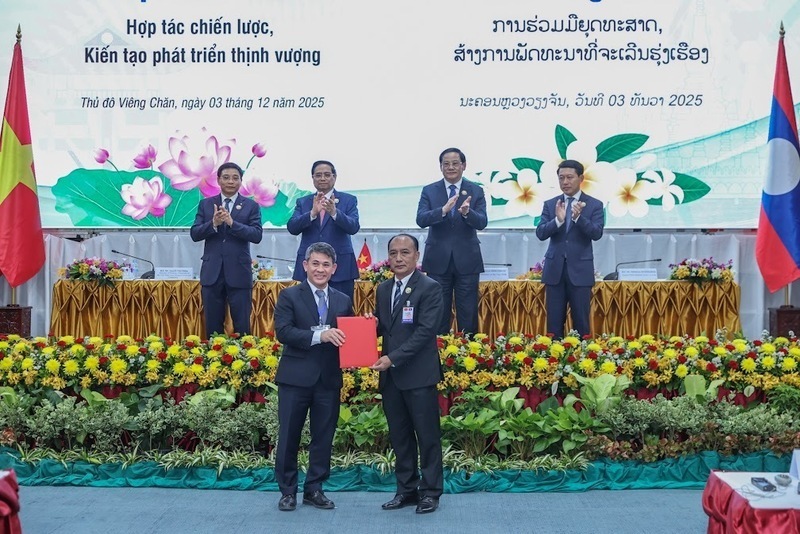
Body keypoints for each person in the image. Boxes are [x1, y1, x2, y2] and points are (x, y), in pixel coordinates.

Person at [273, 242, 353, 512]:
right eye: (315, 263)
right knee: (289, 436)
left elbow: (349, 336)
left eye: (326, 265)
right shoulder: (289, 296)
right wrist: (320, 335)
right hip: (295, 379)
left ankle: (314, 489)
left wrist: (368, 325)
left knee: (323, 437)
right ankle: (287, 491)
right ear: (305, 265)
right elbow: (284, 332)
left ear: (334, 269)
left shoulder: (343, 300)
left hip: (328, 379)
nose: (320, 269)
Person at [369, 234, 444, 514]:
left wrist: (392, 358)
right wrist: (370, 324)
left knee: (427, 437)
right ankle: (406, 490)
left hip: (419, 375)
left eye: (404, 252)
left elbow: (425, 332)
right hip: (391, 378)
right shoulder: (383, 288)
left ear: (416, 256)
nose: (398, 258)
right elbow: (385, 327)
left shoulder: (430, 287)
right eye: (393, 253)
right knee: (400, 437)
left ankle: (431, 492)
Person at [416, 147, 487, 335]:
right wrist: (442, 211)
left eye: (455, 163)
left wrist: (467, 213)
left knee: (468, 313)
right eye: (446, 164)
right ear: (440, 167)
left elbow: (482, 222)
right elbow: (421, 219)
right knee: (438, 312)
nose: (451, 167)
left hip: (467, 261)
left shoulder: (476, 190)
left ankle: (468, 350)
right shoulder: (429, 190)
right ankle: (438, 349)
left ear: (464, 165)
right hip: (438, 261)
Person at [190, 162, 263, 336]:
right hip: (212, 273)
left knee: (242, 326)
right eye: (226, 177)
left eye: (235, 178)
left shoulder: (251, 206)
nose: (231, 181)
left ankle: (244, 354)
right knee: (213, 326)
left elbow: (256, 235)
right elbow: (195, 234)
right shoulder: (206, 204)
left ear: (241, 181)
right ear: (218, 180)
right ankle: (214, 354)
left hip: (239, 272)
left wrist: (232, 223)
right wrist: (213, 223)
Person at [535, 159, 605, 338]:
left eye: (569, 177)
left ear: (581, 178)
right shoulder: (551, 204)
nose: (565, 182)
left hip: (580, 272)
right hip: (554, 272)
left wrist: (578, 218)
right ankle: (554, 354)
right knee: (554, 325)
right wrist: (557, 221)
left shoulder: (594, 204)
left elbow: (596, 233)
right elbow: (541, 233)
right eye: (561, 178)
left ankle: (582, 355)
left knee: (581, 324)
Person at [287, 160, 360, 301]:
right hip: (310, 268)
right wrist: (312, 214)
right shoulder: (303, 202)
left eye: (327, 175)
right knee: (307, 309)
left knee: (341, 308)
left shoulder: (348, 200)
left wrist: (334, 213)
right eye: (318, 175)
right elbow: (292, 227)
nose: (322, 178)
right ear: (312, 178)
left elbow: (353, 227)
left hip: (341, 267)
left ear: (334, 177)